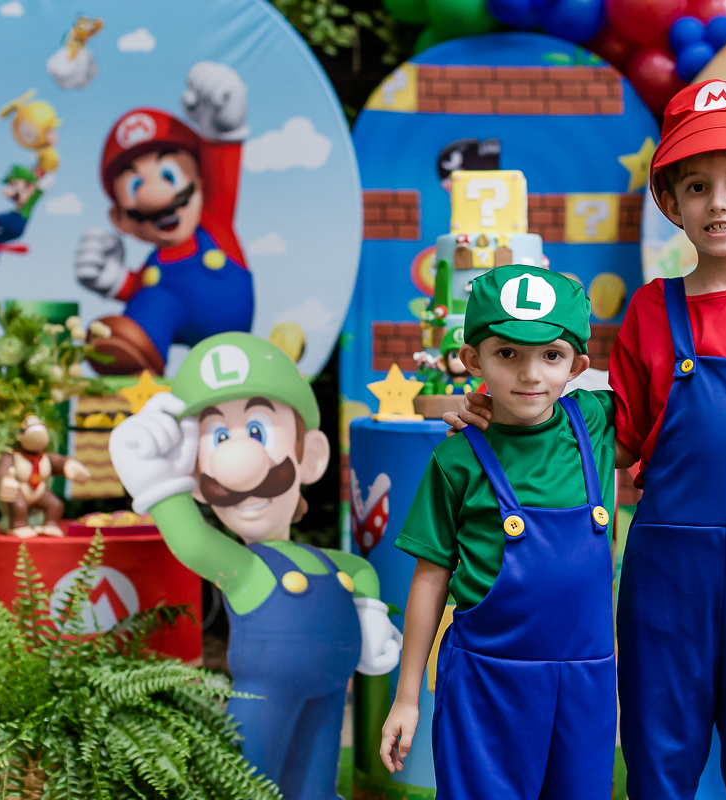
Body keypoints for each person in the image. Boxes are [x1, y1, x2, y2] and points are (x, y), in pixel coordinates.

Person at [453, 79, 726, 798]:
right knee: (657, 759)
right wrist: (505, 409)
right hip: (661, 576)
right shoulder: (653, 311)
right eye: (697, 185)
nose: (719, 203)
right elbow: (612, 443)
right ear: (670, 203)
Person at [109, 332, 402, 800]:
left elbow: (359, 570)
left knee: (316, 783)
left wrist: (369, 609)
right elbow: (190, 541)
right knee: (248, 779)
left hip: (331, 691)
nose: (238, 461)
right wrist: (151, 474)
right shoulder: (244, 565)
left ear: (311, 457)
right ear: (197, 477)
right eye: (219, 436)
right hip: (265, 691)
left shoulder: (331, 562)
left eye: (258, 431)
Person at [380, 265, 621, 800]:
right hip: (487, 684)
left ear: (577, 366)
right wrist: (407, 695)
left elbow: (657, 387)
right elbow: (428, 580)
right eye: (507, 353)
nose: (530, 374)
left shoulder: (597, 424)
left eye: (551, 355)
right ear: (473, 360)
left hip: (587, 681)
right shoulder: (455, 459)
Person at [75, 62, 253, 376]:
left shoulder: (215, 224)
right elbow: (135, 288)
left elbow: (224, 170)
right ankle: (133, 358)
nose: (156, 197)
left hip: (226, 334)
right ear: (120, 219)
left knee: (226, 375)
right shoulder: (154, 264)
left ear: (201, 182)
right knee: (153, 299)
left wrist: (222, 131)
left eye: (168, 175)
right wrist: (110, 278)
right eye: (135, 185)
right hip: (164, 314)